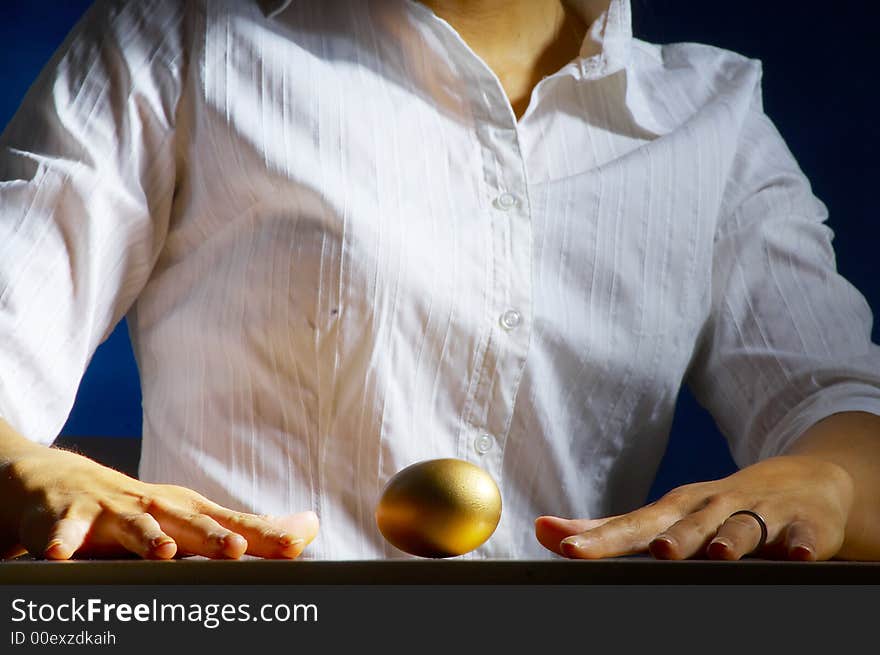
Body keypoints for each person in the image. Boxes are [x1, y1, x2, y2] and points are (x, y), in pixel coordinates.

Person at [1, 0, 879, 562]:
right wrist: (24, 469)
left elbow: (844, 411)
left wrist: (830, 481)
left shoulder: (712, 115)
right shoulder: (180, 37)